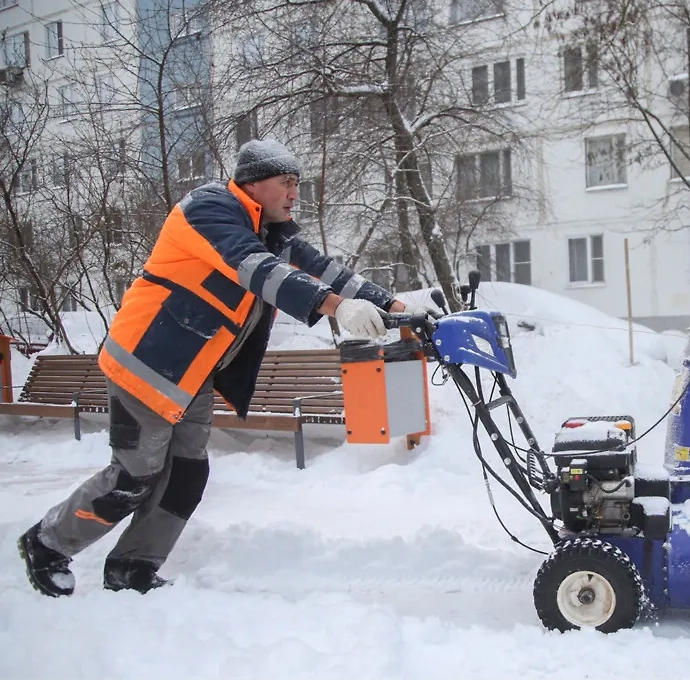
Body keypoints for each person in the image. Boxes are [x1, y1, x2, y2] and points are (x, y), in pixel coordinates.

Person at [16, 139, 427, 597]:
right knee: (135, 475)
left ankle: (132, 568)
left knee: (187, 474)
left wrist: (397, 305)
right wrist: (335, 309)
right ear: (253, 183)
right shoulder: (210, 209)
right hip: (147, 364)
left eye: (298, 184)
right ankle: (47, 543)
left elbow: (324, 270)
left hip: (193, 374)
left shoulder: (272, 229)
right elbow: (257, 269)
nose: (295, 194)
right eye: (286, 183)